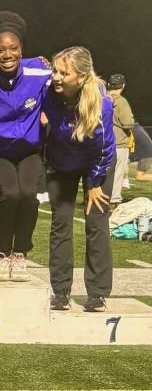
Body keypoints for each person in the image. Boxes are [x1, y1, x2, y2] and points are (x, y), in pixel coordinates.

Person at [0, 12, 51, 282]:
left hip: (29, 151)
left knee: (28, 195)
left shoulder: (39, 70)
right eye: (0, 50)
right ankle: (2, 253)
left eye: (13, 49)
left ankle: (20, 254)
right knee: (11, 195)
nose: (8, 55)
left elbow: (67, 79)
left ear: (22, 50)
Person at [44, 47, 115, 313]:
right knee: (60, 223)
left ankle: (97, 294)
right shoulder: (48, 91)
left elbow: (105, 147)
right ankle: (60, 292)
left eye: (65, 73)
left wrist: (95, 183)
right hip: (62, 161)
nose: (57, 77)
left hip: (96, 162)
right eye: (55, 70)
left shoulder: (102, 103)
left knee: (96, 223)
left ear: (83, 77)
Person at [106, 74, 134, 207]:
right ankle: (113, 200)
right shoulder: (121, 101)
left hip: (103, 140)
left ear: (108, 85)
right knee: (117, 172)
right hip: (118, 142)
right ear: (122, 86)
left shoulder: (102, 98)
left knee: (103, 171)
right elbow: (127, 123)